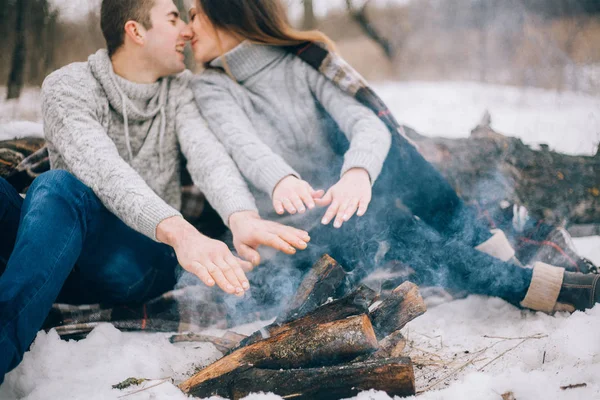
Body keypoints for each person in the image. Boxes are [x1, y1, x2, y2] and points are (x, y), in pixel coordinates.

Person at [187, 0, 599, 317]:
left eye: (194, 15)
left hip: (334, 210)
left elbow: (367, 122)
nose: (188, 30)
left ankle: (487, 253)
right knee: (386, 222)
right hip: (290, 243)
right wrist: (282, 180)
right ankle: (519, 281)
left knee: (395, 153)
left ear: (227, 11)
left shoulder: (303, 60)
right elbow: (243, 145)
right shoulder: (211, 86)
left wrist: (358, 173)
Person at [0, 0, 310, 383]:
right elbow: (104, 170)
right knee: (46, 188)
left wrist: (241, 216)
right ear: (136, 31)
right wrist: (183, 232)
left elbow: (208, 158)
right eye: (174, 18)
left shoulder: (179, 91)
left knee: (55, 185)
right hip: (51, 247)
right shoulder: (68, 87)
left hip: (135, 261)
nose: (187, 30)